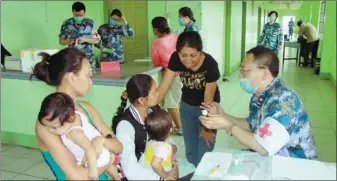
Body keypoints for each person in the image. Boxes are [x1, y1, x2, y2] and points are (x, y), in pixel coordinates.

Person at [200, 46, 318, 160]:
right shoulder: (260, 95)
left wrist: (227, 125)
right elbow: (252, 125)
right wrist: (224, 116)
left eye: (244, 70)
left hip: (294, 164)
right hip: (273, 158)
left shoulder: (283, 101)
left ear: (265, 74)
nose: (240, 75)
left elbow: (263, 147)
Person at [30, 47, 123, 180]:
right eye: (87, 75)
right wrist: (109, 160)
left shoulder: (86, 108)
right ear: (72, 77)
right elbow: (78, 177)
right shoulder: (49, 124)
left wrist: (101, 141)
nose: (91, 81)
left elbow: (118, 147)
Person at [157, 31, 221, 167]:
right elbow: (163, 87)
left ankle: (203, 172)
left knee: (205, 149)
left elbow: (208, 100)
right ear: (178, 53)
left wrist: (207, 127)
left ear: (200, 51)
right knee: (190, 149)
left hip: (207, 109)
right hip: (186, 106)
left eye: (193, 55)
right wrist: (149, 104)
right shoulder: (175, 58)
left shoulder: (210, 64)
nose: (188, 60)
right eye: (183, 55)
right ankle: (193, 171)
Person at [37, 92, 121, 180]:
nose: (50, 130)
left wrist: (93, 172)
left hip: (98, 156)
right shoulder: (75, 115)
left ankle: (112, 163)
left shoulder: (74, 133)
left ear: (69, 119)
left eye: (54, 127)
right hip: (101, 152)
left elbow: (90, 149)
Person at [111, 74, 179, 180]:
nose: (158, 93)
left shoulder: (154, 110)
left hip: (161, 169)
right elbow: (130, 169)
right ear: (142, 100)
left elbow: (163, 134)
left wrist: (172, 149)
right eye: (154, 91)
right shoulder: (125, 126)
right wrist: (162, 178)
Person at [151, 16, 183, 135]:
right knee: (174, 100)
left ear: (156, 29)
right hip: (180, 73)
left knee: (170, 103)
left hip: (169, 76)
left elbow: (156, 61)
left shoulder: (156, 42)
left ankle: (179, 127)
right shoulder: (175, 37)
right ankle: (172, 126)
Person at [58, 2, 100, 70]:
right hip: (73, 60)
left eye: (81, 15)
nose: (78, 17)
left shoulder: (90, 23)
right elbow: (61, 41)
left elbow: (97, 40)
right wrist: (68, 41)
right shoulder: (67, 23)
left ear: (84, 13)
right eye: (76, 15)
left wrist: (85, 39)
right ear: (73, 12)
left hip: (88, 59)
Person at [144, 109, 176, 179]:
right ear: (170, 129)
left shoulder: (151, 139)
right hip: (160, 175)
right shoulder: (162, 148)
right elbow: (155, 164)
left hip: (149, 171)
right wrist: (166, 176)